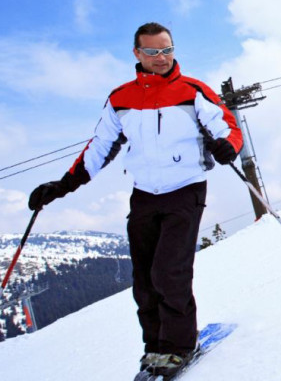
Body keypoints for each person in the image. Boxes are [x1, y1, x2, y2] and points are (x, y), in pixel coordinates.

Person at [27, 22, 243, 378]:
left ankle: (180, 346)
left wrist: (227, 147)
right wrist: (61, 186)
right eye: (154, 52)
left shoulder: (192, 91)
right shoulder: (120, 98)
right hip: (144, 194)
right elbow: (98, 148)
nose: (162, 58)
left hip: (185, 189)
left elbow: (228, 127)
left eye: (168, 49)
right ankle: (155, 348)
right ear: (137, 54)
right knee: (144, 279)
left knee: (168, 272)